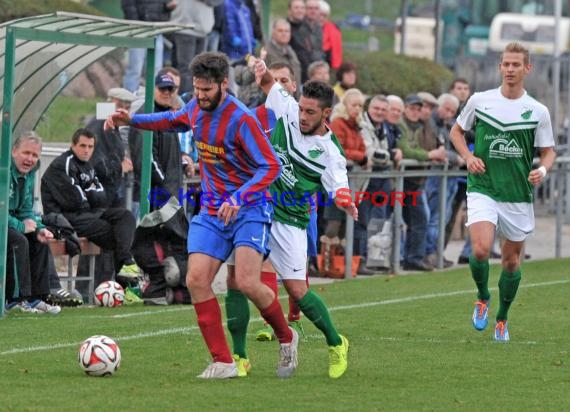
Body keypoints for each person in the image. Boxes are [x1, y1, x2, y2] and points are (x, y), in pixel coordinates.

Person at [106, 52, 297, 379]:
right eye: (196, 88)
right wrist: (131, 120)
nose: (200, 95)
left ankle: (286, 336)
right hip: (211, 209)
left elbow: (271, 166)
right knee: (196, 280)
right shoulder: (195, 107)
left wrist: (239, 196)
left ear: (224, 84)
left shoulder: (241, 118)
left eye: (207, 90)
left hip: (249, 207)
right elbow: (169, 121)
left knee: (248, 283)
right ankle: (223, 361)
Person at [249, 56, 355, 378]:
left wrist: (346, 201)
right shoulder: (287, 108)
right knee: (240, 277)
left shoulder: (330, 152)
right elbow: (269, 85)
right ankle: (237, 357)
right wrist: (262, 71)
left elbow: (339, 187)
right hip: (259, 208)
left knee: (297, 291)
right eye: (301, 109)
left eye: (311, 112)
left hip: (290, 221)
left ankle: (336, 343)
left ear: (327, 114)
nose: (302, 116)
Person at [449, 42, 556, 341]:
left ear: (527, 68)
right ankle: (483, 297)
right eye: (506, 64)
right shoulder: (480, 100)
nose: (510, 69)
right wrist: (468, 157)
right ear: (500, 67)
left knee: (510, 262)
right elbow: (456, 132)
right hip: (483, 187)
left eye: (516, 65)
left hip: (517, 194)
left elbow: (549, 152)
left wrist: (543, 170)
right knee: (481, 249)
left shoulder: (537, 110)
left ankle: (502, 318)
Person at [41, 128, 139, 285]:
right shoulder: (63, 164)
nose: (86, 150)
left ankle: (126, 265)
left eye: (90, 146)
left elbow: (101, 198)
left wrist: (91, 197)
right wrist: (91, 196)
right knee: (116, 234)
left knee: (125, 216)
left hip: (88, 214)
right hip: (64, 219)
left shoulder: (87, 166)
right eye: (82, 146)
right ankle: (127, 283)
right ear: (72, 145)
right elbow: (74, 201)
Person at [5, 131, 61, 315]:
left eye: (35, 155)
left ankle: (36, 298)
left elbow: (26, 210)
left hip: (9, 223)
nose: (30, 159)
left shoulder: (28, 175)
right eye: (26, 153)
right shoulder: (2, 170)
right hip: (4, 224)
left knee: (39, 241)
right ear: (13, 151)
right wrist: (21, 226)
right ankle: (15, 300)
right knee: (18, 240)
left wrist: (39, 228)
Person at [121, 0, 177, 92]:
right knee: (135, 69)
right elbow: (128, 4)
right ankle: (128, 100)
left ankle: (152, 100)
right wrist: (136, 24)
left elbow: (163, 5)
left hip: (157, 30)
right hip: (139, 30)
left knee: (156, 70)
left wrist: (167, 7)